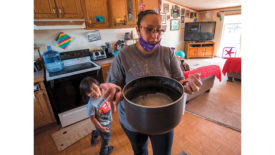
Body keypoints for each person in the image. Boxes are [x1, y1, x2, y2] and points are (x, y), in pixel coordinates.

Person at [100, 10, 202, 155]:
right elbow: (115, 85)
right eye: (149, 30)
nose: (155, 36)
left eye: (159, 30)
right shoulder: (123, 55)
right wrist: (114, 91)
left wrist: (186, 84)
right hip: (132, 121)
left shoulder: (168, 54)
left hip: (164, 120)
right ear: (137, 29)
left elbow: (179, 80)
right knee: (140, 151)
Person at [80, 76, 114, 155]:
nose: (94, 93)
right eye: (89, 92)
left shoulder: (104, 91)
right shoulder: (91, 104)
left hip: (107, 119)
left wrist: (113, 106)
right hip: (102, 124)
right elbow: (93, 119)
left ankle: (95, 134)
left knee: (100, 132)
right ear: (86, 94)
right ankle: (104, 152)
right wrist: (101, 128)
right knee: (106, 138)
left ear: (98, 85)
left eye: (95, 88)